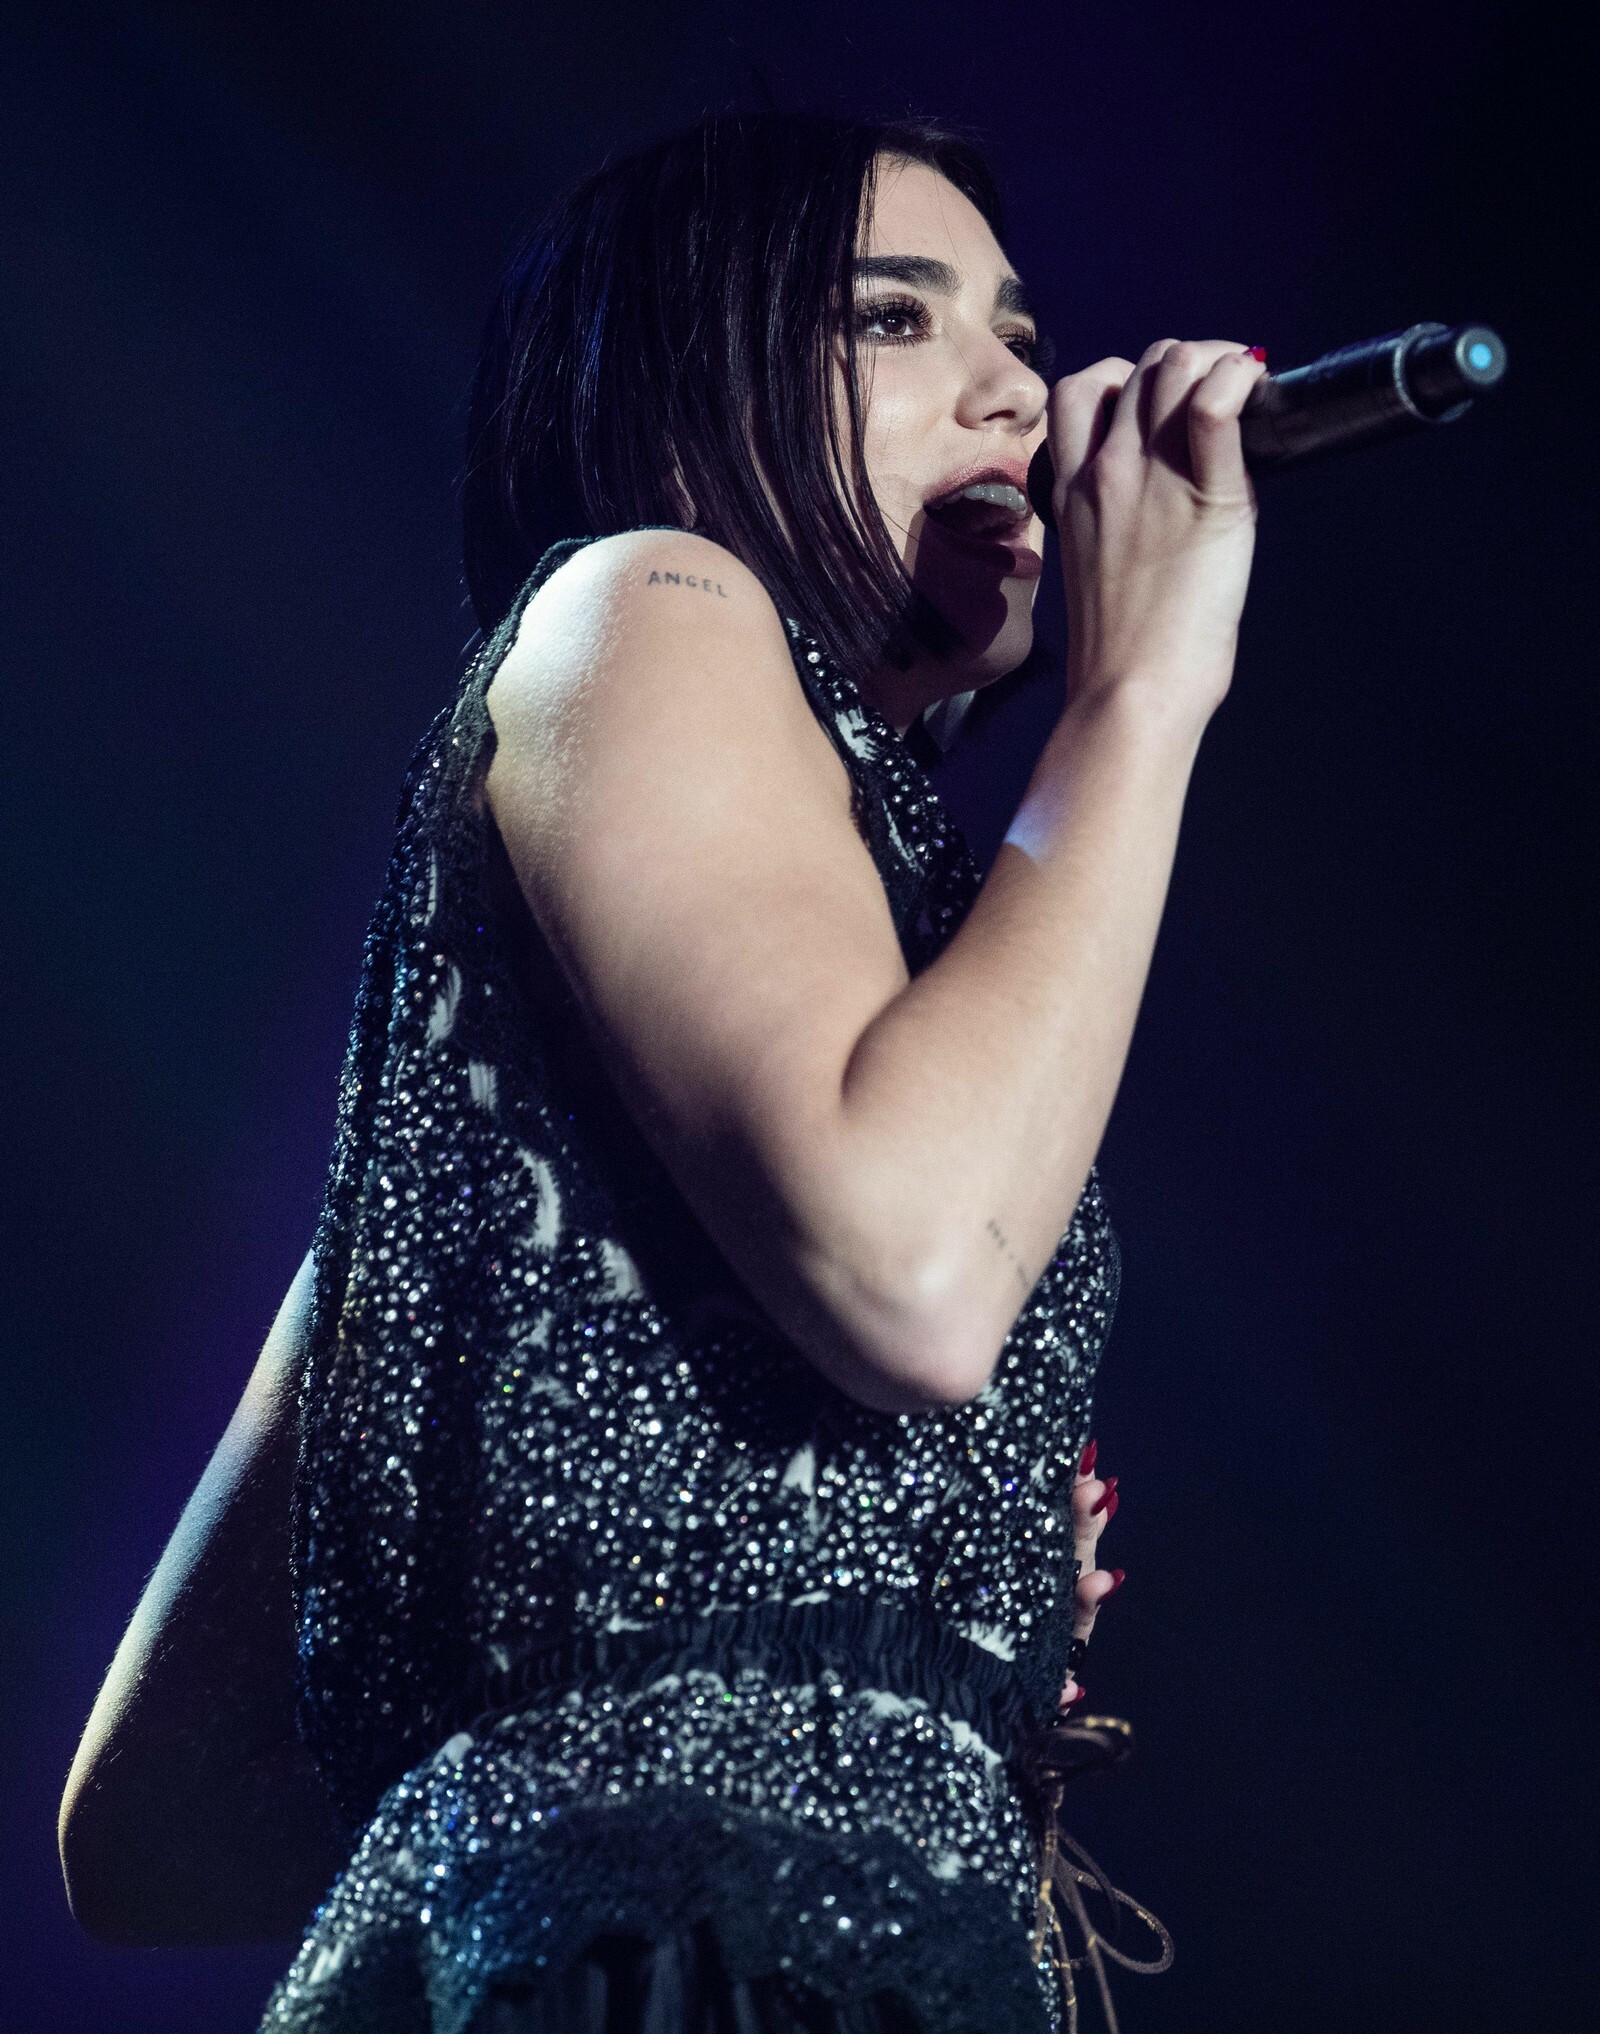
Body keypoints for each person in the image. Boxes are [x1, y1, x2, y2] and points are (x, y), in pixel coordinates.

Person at [58, 111, 1264, 2033]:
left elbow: (161, 1819)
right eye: (895, 318)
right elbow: (914, 1263)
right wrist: (1142, 697)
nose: (1020, 396)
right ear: (684, 388)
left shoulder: (746, 976)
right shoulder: (648, 597)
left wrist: (861, 1615)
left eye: (1024, 339)